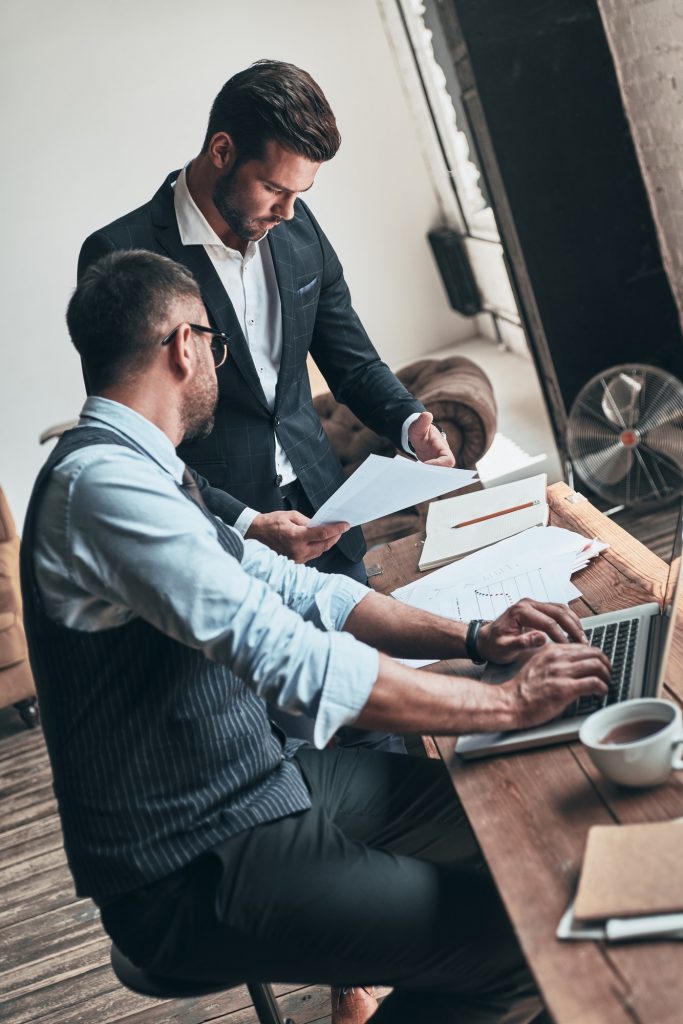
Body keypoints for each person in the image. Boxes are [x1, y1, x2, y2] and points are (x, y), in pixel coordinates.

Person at [22, 250, 610, 1024]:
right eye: (214, 345)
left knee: (523, 828)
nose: (216, 368)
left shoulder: (148, 472)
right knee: (527, 946)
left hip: (261, 786)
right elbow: (291, 659)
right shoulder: (105, 490)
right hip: (190, 863)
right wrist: (506, 706)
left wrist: (473, 637)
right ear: (183, 345)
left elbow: (301, 591)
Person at [77, 59, 455, 584]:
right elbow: (133, 439)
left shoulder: (297, 231)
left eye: (301, 194)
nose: (289, 212)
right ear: (223, 151)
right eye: (275, 188)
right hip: (220, 541)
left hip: (328, 516)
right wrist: (247, 523)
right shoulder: (120, 254)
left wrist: (411, 423)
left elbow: (353, 362)